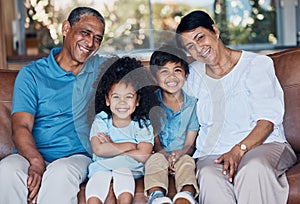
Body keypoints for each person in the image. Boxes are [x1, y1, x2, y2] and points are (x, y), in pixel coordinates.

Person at [175, 10, 297, 204]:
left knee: (253, 168)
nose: (199, 49)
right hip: (213, 153)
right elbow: (177, 112)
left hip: (264, 145)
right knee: (208, 175)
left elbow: (267, 122)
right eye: (190, 46)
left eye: (200, 38)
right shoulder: (193, 76)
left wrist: (239, 150)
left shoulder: (256, 65)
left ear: (215, 31)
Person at [0, 7, 107, 204]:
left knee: (61, 173)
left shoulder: (102, 71)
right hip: (30, 154)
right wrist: (35, 161)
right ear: (66, 28)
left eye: (98, 38)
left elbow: (135, 80)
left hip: (76, 157)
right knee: (6, 170)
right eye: (85, 33)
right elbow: (21, 127)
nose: (91, 43)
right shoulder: (31, 74)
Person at [85, 56, 159, 204]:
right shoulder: (102, 120)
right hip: (101, 167)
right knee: (96, 185)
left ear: (137, 101)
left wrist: (112, 145)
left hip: (129, 169)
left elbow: (143, 154)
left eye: (129, 97)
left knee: (123, 175)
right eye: (116, 97)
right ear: (107, 100)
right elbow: (99, 150)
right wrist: (130, 146)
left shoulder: (142, 124)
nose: (122, 103)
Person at [144, 45, 200, 204]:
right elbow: (154, 139)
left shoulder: (192, 105)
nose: (171, 77)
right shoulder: (151, 102)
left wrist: (180, 153)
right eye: (164, 71)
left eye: (177, 70)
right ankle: (156, 196)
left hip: (183, 153)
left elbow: (191, 142)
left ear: (186, 75)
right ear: (155, 77)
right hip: (159, 152)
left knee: (187, 162)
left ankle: (186, 195)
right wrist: (163, 154)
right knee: (155, 161)